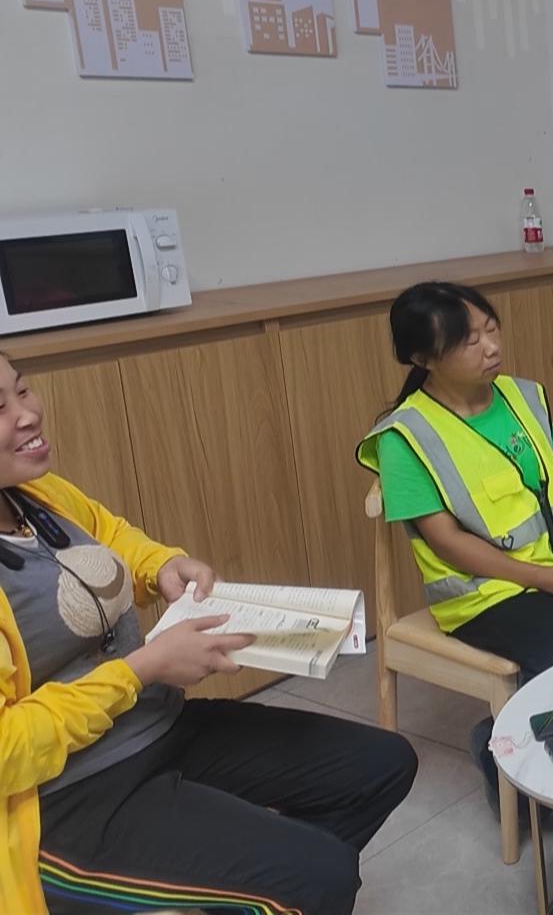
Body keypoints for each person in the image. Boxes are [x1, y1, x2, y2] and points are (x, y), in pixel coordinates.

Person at [0, 351, 417, 915]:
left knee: (382, 765)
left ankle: (253, 890)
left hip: (158, 726)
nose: (27, 414)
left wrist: (161, 566)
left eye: (23, 390)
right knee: (322, 878)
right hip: (68, 800)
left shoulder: (37, 496)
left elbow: (109, 537)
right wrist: (141, 669)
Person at [356, 281, 553, 799]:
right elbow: (447, 543)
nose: (491, 347)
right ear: (423, 358)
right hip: (486, 591)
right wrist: (545, 579)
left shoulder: (522, 395)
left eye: (491, 330)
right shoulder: (405, 437)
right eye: (469, 340)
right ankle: (514, 768)